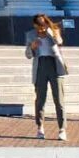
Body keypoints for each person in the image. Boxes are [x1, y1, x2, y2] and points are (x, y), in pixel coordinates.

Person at [26, 12, 67, 141]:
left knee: (59, 99)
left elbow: (59, 42)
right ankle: (40, 128)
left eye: (43, 23)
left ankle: (62, 129)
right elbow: (28, 55)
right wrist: (32, 47)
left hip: (54, 65)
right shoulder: (30, 35)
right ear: (34, 24)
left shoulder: (53, 30)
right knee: (40, 99)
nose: (41, 26)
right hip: (40, 66)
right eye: (38, 24)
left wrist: (50, 33)